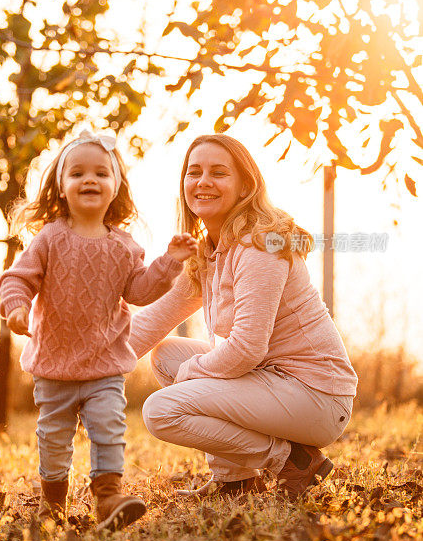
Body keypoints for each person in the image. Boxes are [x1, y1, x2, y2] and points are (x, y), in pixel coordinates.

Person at [129, 134, 358, 501]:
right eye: (194, 172)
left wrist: (188, 376)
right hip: (274, 382)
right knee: (167, 353)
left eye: (218, 172)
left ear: (244, 186)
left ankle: (292, 460)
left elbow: (246, 349)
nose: (203, 182)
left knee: (161, 410)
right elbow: (153, 320)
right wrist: (93, 367)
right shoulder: (210, 250)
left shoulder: (259, 244)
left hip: (316, 396)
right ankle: (235, 481)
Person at [0, 129, 197, 530]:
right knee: (54, 439)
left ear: (115, 187)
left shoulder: (124, 246)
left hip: (104, 366)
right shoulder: (49, 238)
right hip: (54, 366)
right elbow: (16, 279)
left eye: (101, 173)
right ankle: (52, 505)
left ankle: (108, 498)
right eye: (77, 173)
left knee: (108, 428)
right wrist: (17, 307)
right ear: (61, 185)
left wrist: (170, 262)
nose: (89, 179)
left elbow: (141, 291)